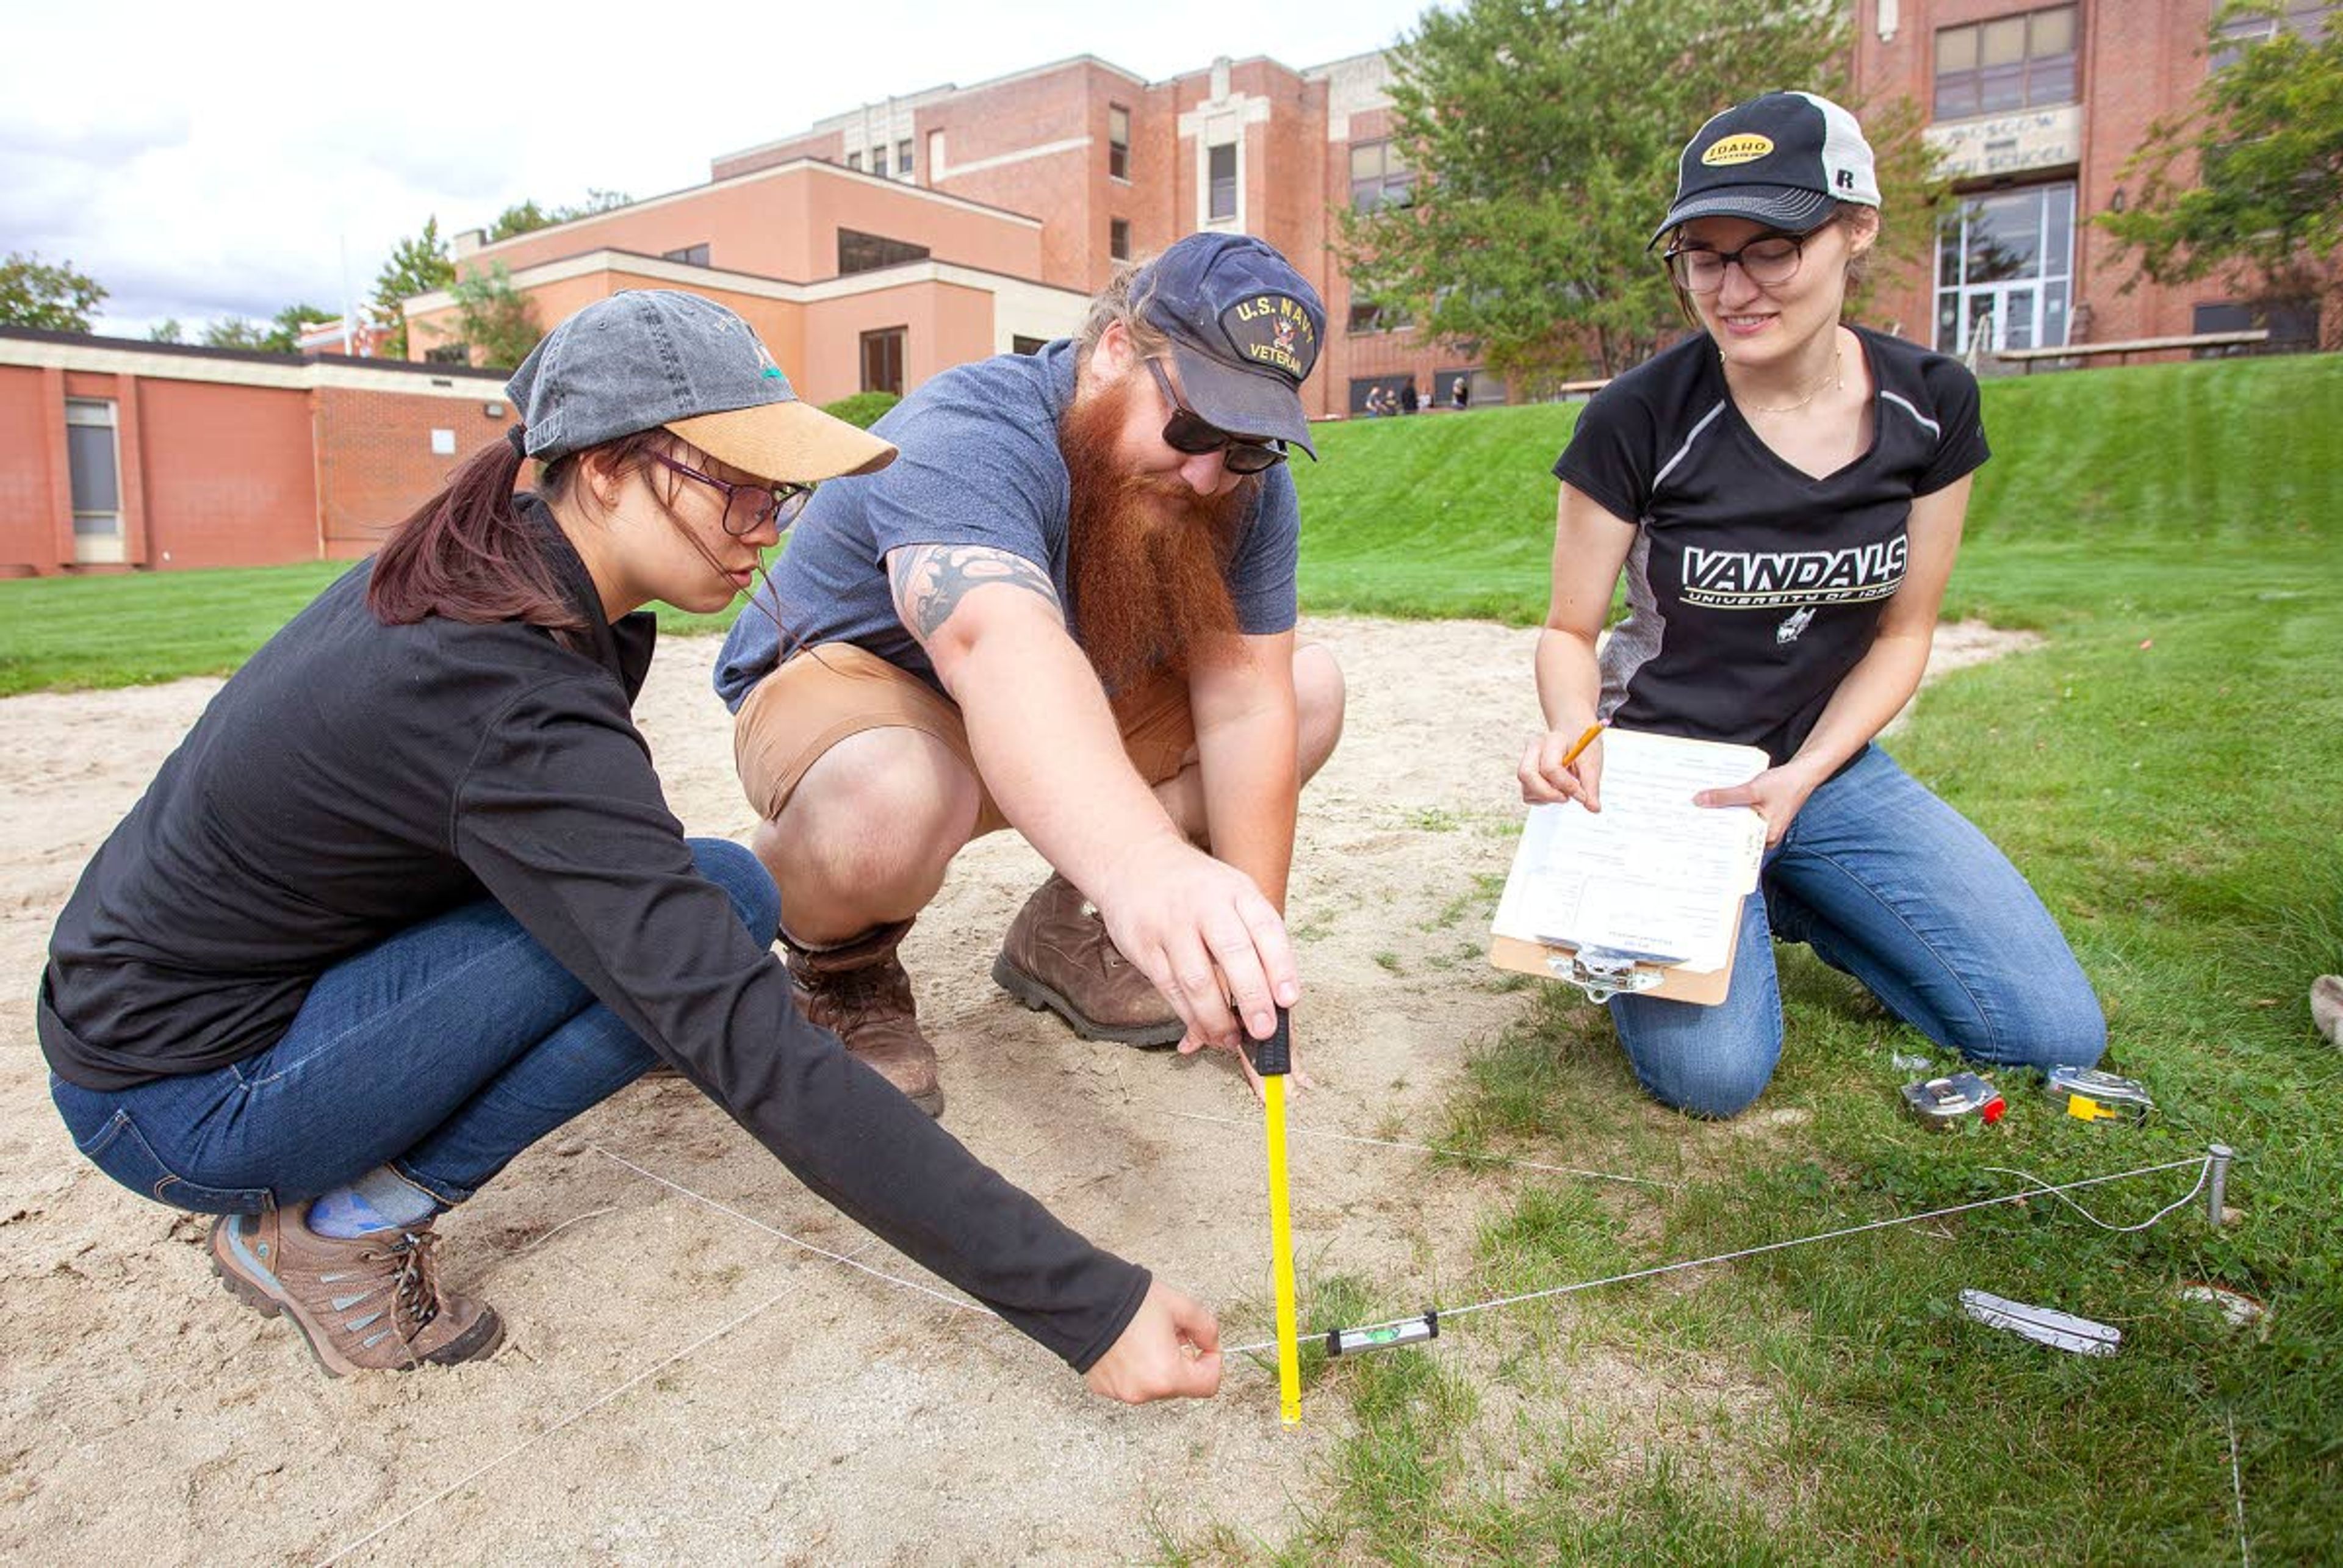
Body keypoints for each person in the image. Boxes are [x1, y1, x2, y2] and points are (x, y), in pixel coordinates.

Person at [39, 291, 1218, 1399]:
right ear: (604, 469)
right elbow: (745, 1040)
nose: (774, 524)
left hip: (214, 1008)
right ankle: (337, 1225)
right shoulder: (494, 683)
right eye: (743, 488)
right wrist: (1085, 1307)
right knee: (690, 965)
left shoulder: (511, 569)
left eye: (785, 493)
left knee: (722, 891)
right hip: (186, 1096)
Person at [1520, 92, 2106, 1118]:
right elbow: (1570, 632)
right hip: (1671, 773)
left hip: (1823, 766)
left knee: (2049, 1032)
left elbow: (1905, 630)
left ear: (1856, 230)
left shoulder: (1933, 403)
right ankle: (1682, 895)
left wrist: (1804, 775)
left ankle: (1790, 882)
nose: (1734, 287)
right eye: (1705, 255)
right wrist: (1573, 735)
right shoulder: (1636, 420)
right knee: (1715, 1077)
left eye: (1773, 249)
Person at [714, 234, 1344, 1117]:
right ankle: (839, 970)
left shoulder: (1240, 483)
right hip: (868, 700)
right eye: (1197, 425)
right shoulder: (969, 427)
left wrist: (1250, 968)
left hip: (1053, 715)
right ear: (1116, 350)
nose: (1210, 474)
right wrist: (1146, 869)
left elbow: (1246, 706)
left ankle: (1071, 932)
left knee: (1309, 691)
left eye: (1247, 445)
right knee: (890, 797)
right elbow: (995, 645)